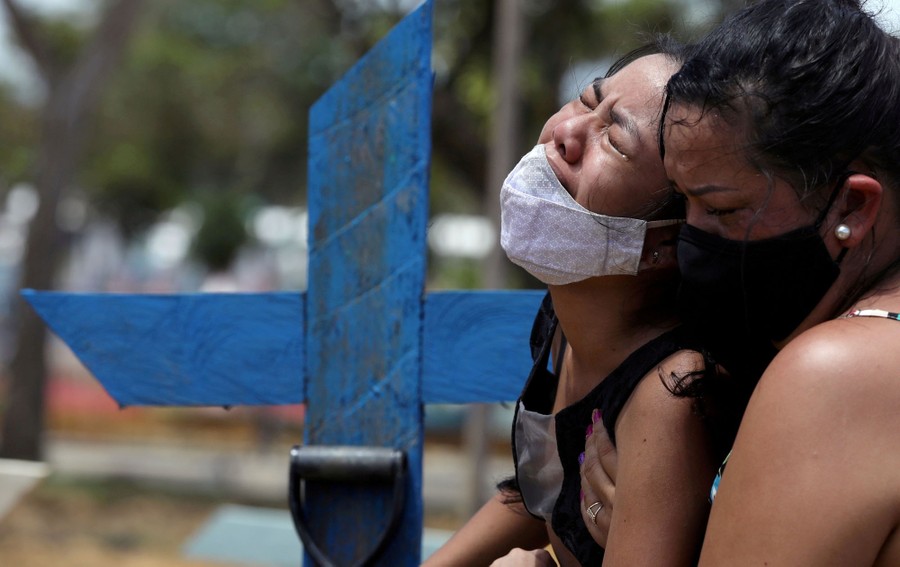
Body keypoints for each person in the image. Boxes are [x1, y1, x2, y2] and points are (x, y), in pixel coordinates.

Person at [581, 1, 900, 564]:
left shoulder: (831, 373)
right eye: (682, 203)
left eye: (723, 211)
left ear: (853, 204)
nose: (690, 241)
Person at [424, 39, 745, 567]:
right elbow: (540, 492)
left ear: (664, 243)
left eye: (615, 140)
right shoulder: (564, 322)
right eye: (586, 100)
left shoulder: (672, 394)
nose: (566, 133)